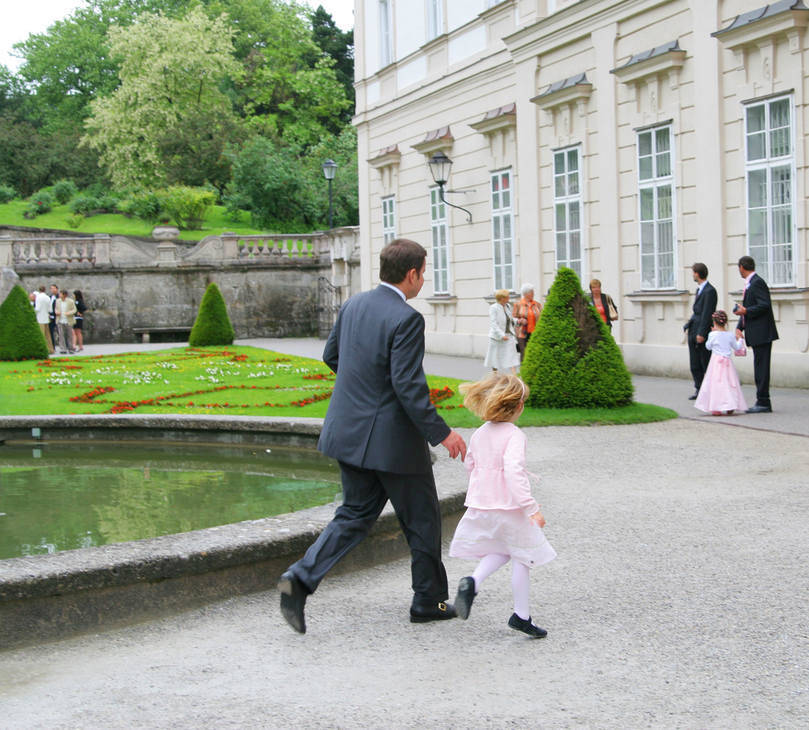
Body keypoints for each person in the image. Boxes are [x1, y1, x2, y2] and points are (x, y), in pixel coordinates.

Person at [278, 238, 467, 634]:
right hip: (394, 443)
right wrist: (443, 433)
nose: (424, 279)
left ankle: (300, 578)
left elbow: (333, 356)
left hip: (348, 433)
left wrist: (363, 394)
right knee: (423, 522)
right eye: (423, 272)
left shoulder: (352, 305)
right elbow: (408, 386)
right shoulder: (407, 318)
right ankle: (428, 602)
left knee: (354, 515)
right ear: (412, 274)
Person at [449, 373, 556, 638]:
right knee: (523, 556)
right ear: (518, 406)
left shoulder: (479, 434)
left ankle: (472, 583)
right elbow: (514, 473)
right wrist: (532, 508)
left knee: (503, 550)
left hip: (482, 504)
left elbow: (470, 466)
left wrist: (481, 492)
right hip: (509, 507)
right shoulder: (514, 435)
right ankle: (521, 616)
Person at [734, 256, 778, 414]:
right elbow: (748, 307)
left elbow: (764, 305)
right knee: (759, 367)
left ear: (742, 267)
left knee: (762, 369)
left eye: (738, 268)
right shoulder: (751, 283)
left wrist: (746, 311)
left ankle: (764, 402)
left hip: (763, 333)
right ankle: (762, 400)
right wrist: (740, 326)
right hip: (757, 333)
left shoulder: (757, 282)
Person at [694, 311, 747, 416]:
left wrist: (711, 335)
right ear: (725, 322)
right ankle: (731, 405)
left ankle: (716, 407)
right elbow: (736, 347)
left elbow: (708, 346)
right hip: (727, 363)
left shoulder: (712, 335)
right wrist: (740, 340)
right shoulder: (730, 335)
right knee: (729, 383)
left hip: (716, 363)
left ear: (714, 322)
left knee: (716, 384)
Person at [683, 263, 717, 400]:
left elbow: (707, 314)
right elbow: (696, 312)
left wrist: (702, 333)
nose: (692, 275)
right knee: (694, 363)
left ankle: (707, 389)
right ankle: (699, 388)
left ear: (697, 273)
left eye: (693, 272)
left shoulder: (710, 291)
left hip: (701, 332)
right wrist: (688, 324)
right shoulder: (699, 290)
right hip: (693, 329)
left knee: (704, 361)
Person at [484, 289, 520, 374]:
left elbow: (509, 319)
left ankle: (514, 378)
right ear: (502, 298)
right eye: (507, 296)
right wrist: (501, 335)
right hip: (497, 338)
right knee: (494, 359)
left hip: (509, 336)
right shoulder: (493, 308)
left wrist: (518, 321)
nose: (509, 298)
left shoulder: (507, 306)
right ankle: (494, 376)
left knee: (512, 357)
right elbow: (494, 324)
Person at [512, 283, 542, 362]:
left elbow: (542, 317)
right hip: (522, 332)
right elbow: (513, 319)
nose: (533, 293)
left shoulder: (537, 305)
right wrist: (520, 320)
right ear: (525, 293)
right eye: (531, 292)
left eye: (533, 291)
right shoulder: (518, 305)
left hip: (534, 333)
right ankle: (523, 372)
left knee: (534, 352)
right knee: (524, 352)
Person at [54, 289, 77, 354]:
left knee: (69, 335)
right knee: (61, 335)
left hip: (68, 320)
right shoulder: (57, 301)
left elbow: (74, 310)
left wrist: (69, 313)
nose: (59, 295)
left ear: (64, 295)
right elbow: (56, 308)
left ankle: (71, 348)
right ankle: (63, 348)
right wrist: (56, 312)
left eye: (61, 294)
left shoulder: (70, 301)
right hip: (60, 319)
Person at [34, 286, 55, 355]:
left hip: (40, 318)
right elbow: (50, 310)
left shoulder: (38, 297)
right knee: (48, 335)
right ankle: (50, 349)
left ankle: (42, 350)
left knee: (41, 335)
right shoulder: (48, 297)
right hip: (46, 318)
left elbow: (37, 308)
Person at [48, 283, 59, 349]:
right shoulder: (50, 297)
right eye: (51, 288)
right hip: (51, 316)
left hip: (57, 316)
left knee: (60, 332)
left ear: (56, 289)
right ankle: (52, 346)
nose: (52, 290)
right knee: (51, 331)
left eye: (53, 288)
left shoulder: (59, 297)